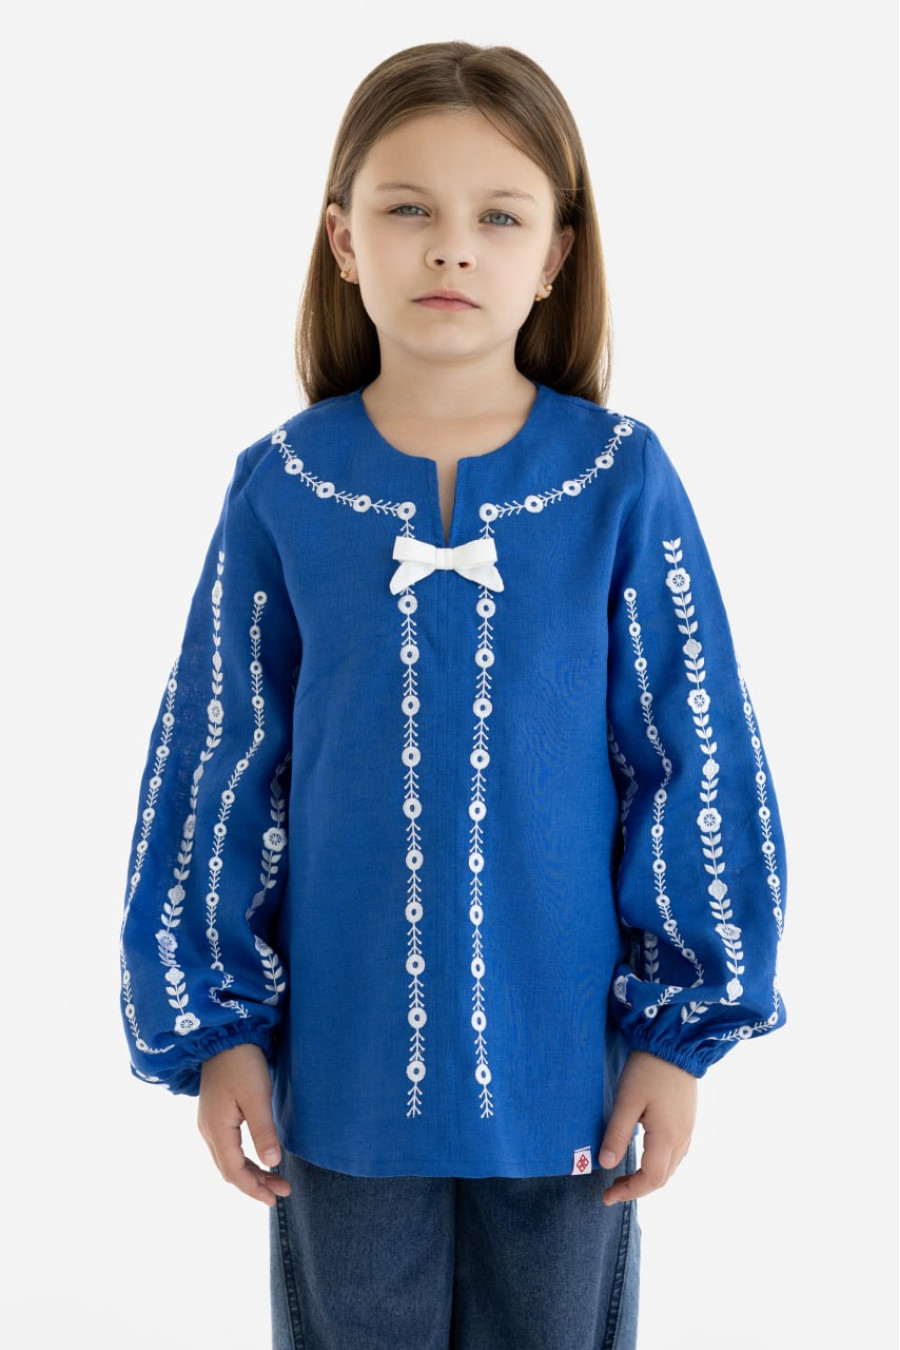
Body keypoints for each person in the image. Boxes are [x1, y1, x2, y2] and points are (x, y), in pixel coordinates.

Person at [118, 40, 787, 1349]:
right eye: (409, 207)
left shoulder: (618, 479)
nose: (451, 248)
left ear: (556, 255)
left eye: (500, 217)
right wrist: (220, 1030)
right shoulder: (284, 487)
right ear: (343, 239)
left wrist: (677, 1035)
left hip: (567, 1078)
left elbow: (691, 752)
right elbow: (219, 765)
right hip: (344, 1078)